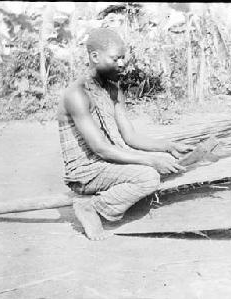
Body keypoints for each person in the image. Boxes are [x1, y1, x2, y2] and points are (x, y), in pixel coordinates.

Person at [57, 28, 194, 241]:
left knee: (167, 161)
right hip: (86, 172)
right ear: (95, 57)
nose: (121, 64)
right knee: (148, 176)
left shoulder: (113, 90)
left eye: (123, 58)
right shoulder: (77, 94)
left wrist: (167, 146)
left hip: (109, 162)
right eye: (115, 58)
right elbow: (100, 148)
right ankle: (90, 207)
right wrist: (150, 160)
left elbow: (130, 137)